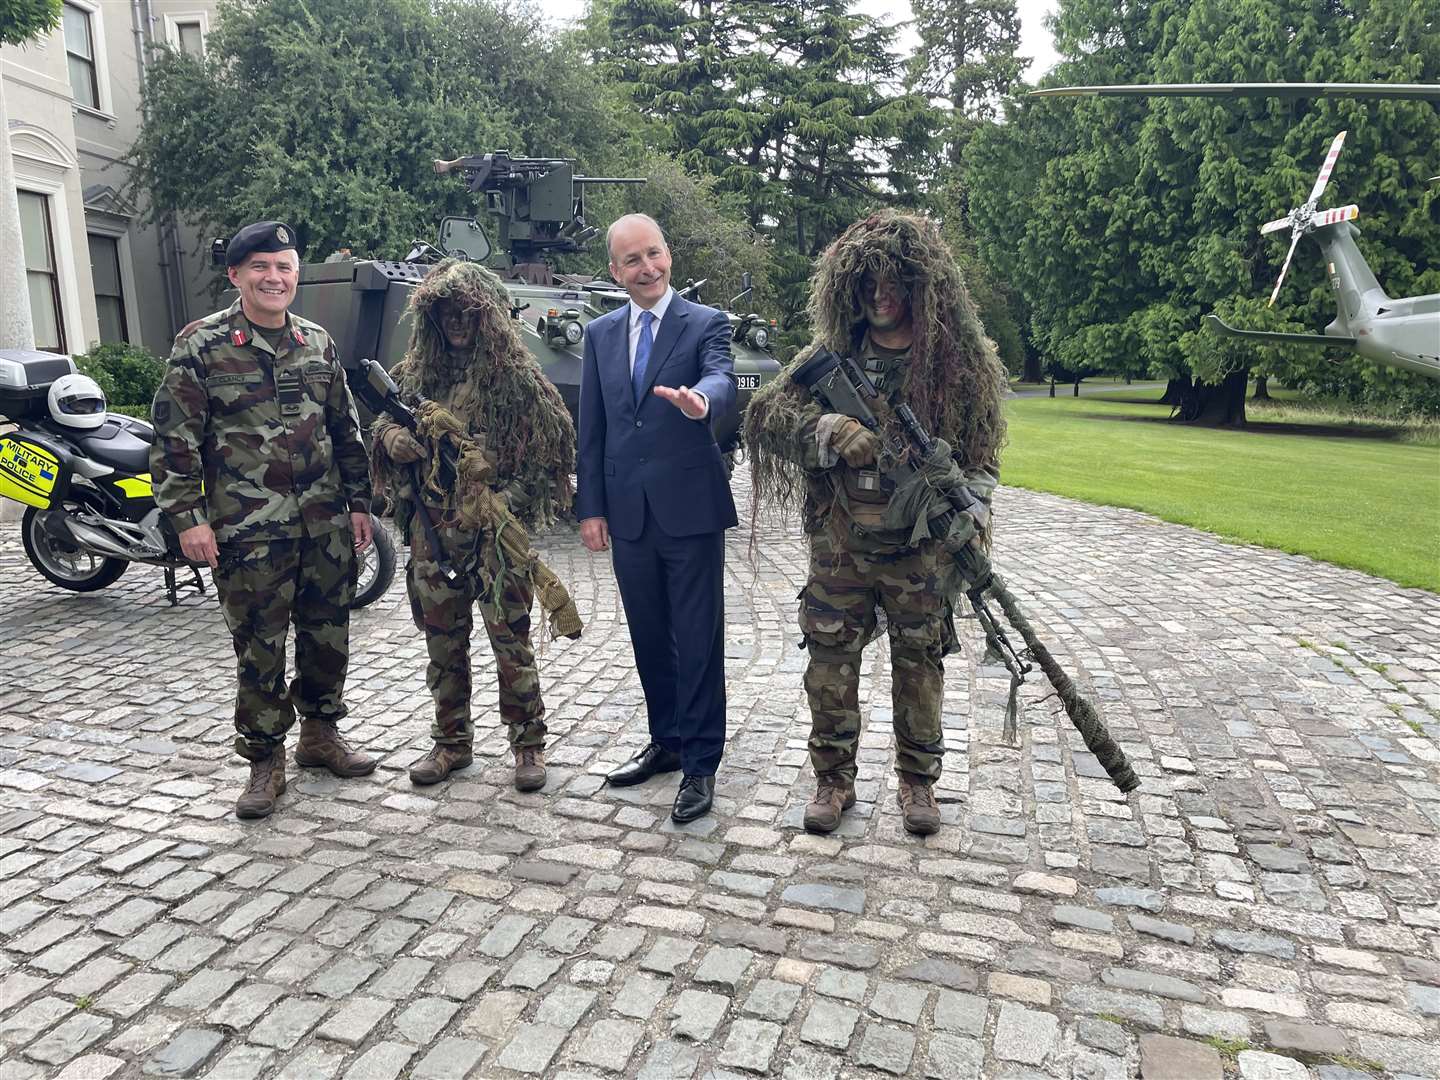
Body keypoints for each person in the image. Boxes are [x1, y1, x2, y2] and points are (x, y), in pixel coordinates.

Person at [743, 210, 1007, 836]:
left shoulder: (955, 365)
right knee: (830, 664)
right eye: (867, 284)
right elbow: (762, 417)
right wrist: (828, 431)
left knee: (920, 665)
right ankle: (833, 781)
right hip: (842, 545)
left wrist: (971, 506)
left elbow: (984, 458)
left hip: (920, 554)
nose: (880, 296)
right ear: (849, 288)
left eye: (893, 284)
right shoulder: (828, 357)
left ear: (921, 287)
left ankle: (919, 785)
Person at [150, 220, 376, 820]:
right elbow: (176, 441)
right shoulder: (202, 345)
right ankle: (263, 759)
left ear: (296, 276)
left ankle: (321, 737)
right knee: (259, 646)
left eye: (283, 267)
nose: (273, 278)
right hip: (247, 530)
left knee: (328, 633)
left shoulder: (319, 344)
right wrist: (188, 518)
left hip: (324, 524)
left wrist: (360, 504)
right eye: (261, 267)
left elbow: (345, 432)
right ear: (236, 275)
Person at [370, 260, 575, 791]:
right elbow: (384, 420)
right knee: (442, 641)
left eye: (466, 312)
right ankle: (451, 742)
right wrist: (391, 440)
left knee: (510, 639)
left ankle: (528, 745)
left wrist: (502, 502)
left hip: (494, 535)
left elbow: (550, 459)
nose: (456, 322)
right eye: (445, 312)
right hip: (433, 533)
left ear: (485, 315)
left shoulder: (517, 381)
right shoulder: (418, 376)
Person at [576, 213, 737, 823]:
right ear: (615, 272)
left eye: (655, 255)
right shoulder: (599, 334)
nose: (648, 268)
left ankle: (700, 763)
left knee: (697, 640)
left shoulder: (705, 323)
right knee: (649, 637)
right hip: (628, 513)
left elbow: (720, 377)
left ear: (668, 256)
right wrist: (590, 507)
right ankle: (666, 742)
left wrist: (703, 402)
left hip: (689, 509)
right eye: (634, 261)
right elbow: (592, 428)